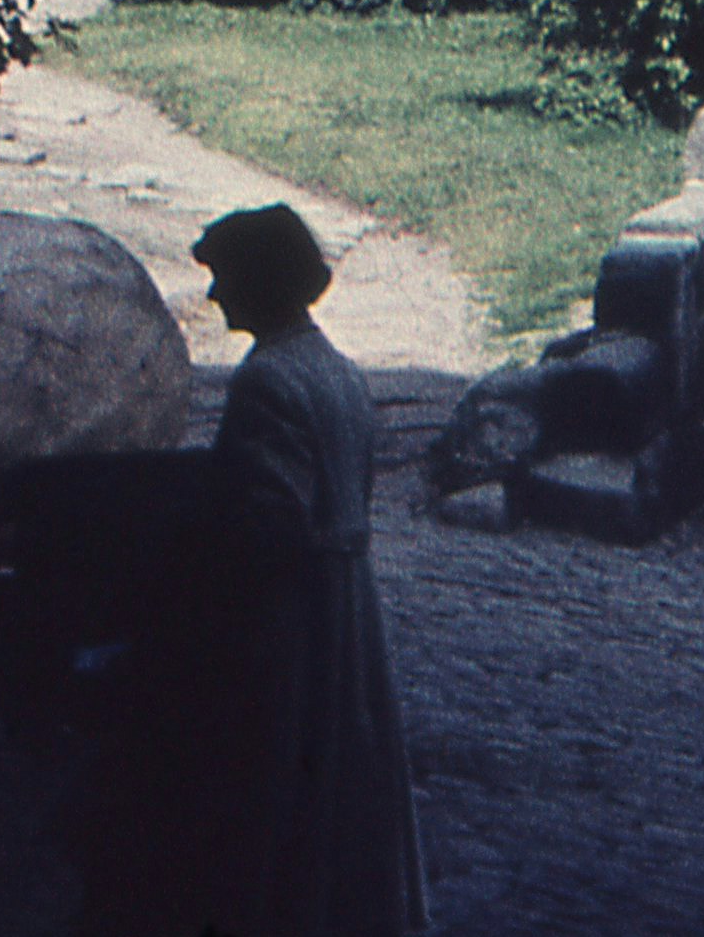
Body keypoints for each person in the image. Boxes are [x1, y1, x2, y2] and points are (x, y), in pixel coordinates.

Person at [187, 201, 431, 937]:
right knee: (350, 767)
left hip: (297, 610)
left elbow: (270, 521)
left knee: (286, 769)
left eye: (224, 277)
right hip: (350, 600)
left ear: (258, 282)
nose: (213, 295)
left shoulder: (267, 380)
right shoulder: (341, 372)